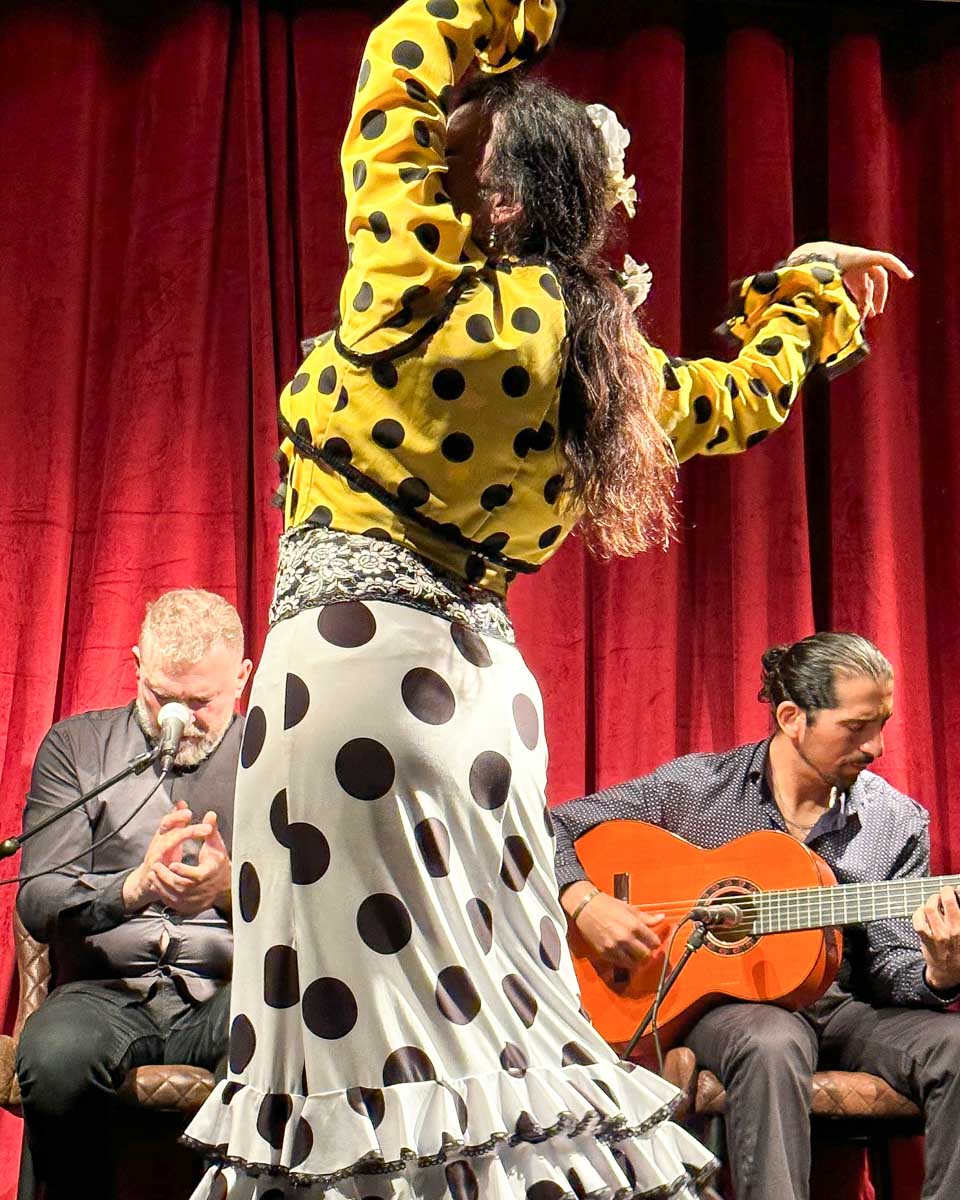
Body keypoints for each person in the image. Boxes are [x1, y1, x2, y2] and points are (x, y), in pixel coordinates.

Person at [181, 1, 909, 1197]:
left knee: (355, 1027)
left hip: (356, 687)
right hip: (483, 707)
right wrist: (810, 294)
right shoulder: (596, 355)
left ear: (499, 199)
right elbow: (739, 396)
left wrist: (503, 16)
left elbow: (397, 65)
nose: (447, 144)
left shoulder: (415, 292)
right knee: (483, 1008)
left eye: (470, 144)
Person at [553, 632, 960, 1200]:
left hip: (844, 1010)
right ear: (793, 717)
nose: (878, 747)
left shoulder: (896, 820)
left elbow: (890, 965)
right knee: (771, 1041)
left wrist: (939, 972)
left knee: (957, 1044)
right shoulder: (700, 788)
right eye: (857, 727)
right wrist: (585, 901)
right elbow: (551, 826)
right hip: (732, 1008)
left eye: (883, 724)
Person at [16, 588, 252, 1200]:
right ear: (136, 665)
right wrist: (131, 887)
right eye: (162, 698)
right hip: (103, 991)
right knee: (54, 1056)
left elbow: (322, 910)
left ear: (243, 679)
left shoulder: (275, 757)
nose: (180, 719)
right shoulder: (78, 748)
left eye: (201, 703)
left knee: (287, 1032)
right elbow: (37, 900)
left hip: (232, 991)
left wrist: (230, 892)